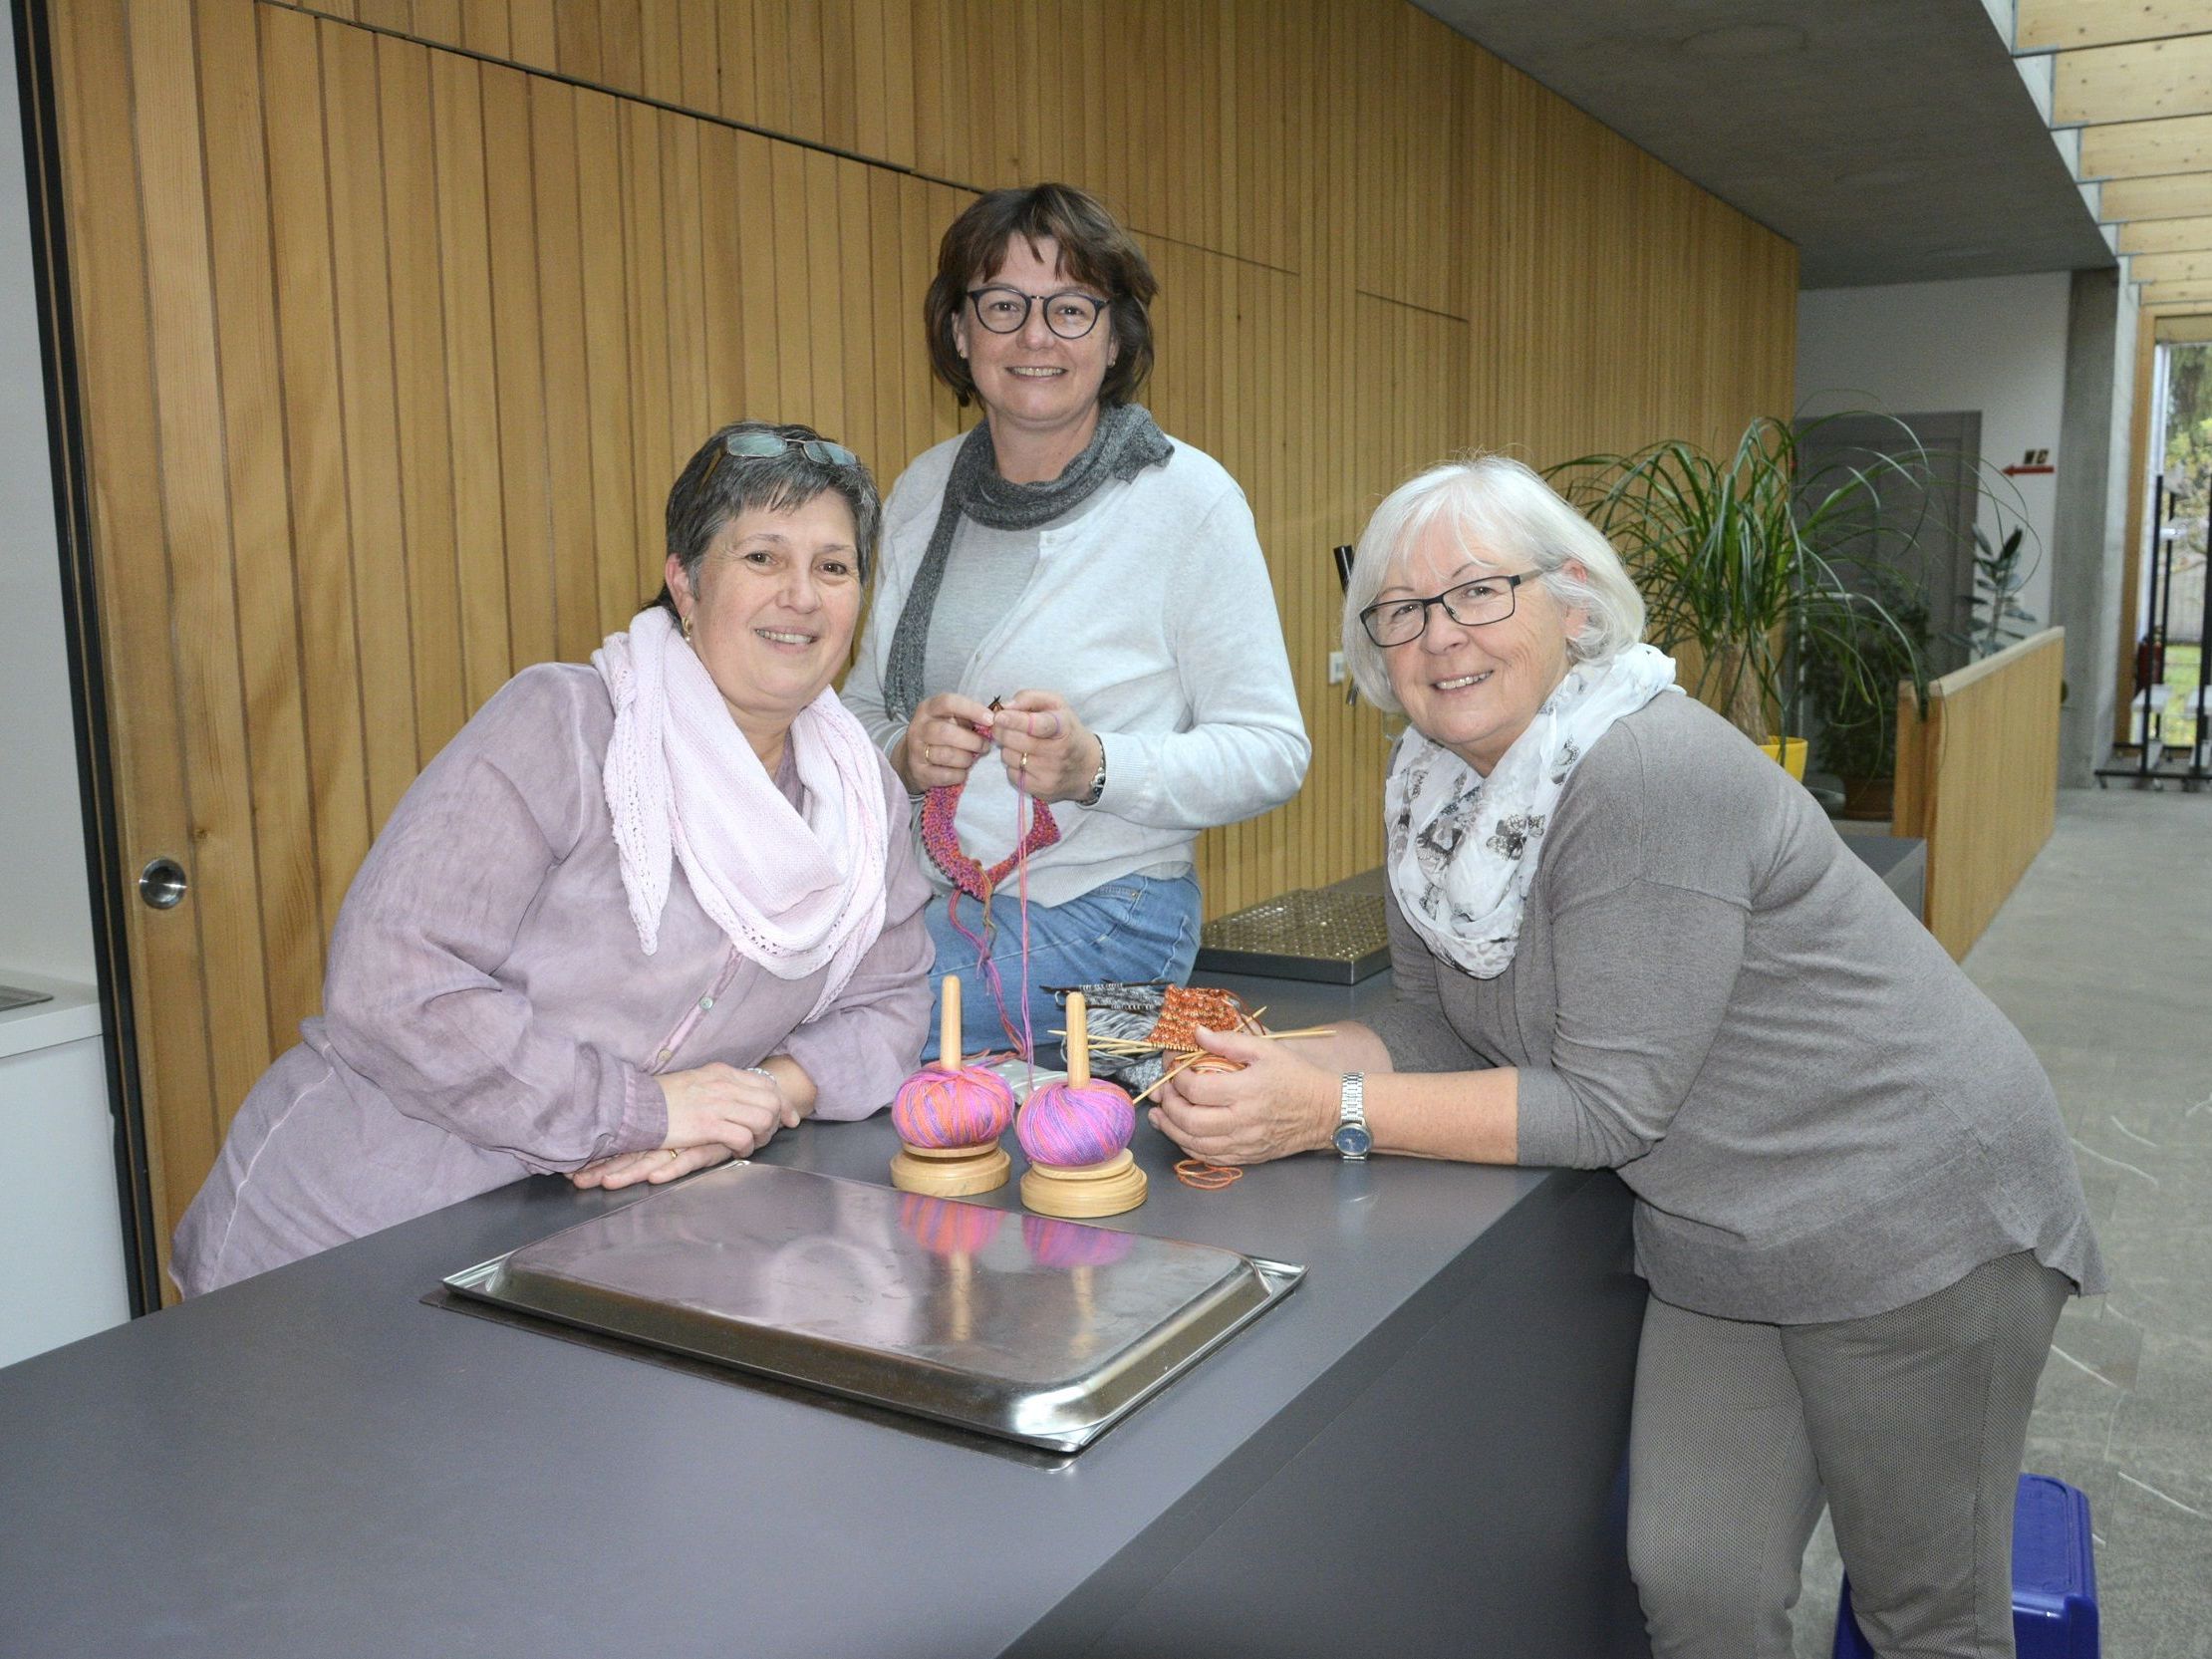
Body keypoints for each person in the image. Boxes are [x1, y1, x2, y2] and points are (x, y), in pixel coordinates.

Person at [1149, 454, 2104, 1659]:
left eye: (1478, 592)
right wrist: (1263, 1055)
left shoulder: (1643, 770)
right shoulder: (1438, 791)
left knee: (1927, 1616)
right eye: (1401, 612)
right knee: (1698, 1582)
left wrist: (1324, 1110)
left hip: (1912, 1210)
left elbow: (1607, 1108)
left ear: (1575, 604)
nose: (1440, 637)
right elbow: (1441, 1022)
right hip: (1727, 1229)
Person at [173, 421, 932, 1295]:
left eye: (833, 567)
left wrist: (761, 1095)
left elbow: (889, 1004)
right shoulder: (566, 725)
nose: (802, 595)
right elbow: (391, 982)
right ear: (684, 583)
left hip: (592, 1250)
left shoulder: (857, 794)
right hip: (343, 1239)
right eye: (763, 557)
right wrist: (642, 1111)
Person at [842, 182, 1308, 1060]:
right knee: (802, 978)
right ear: (959, 330)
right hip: (928, 904)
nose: (1034, 336)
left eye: (1070, 307)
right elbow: (857, 718)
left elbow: (1273, 751)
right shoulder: (920, 494)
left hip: (1113, 926)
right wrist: (904, 753)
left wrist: (1096, 766)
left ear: (1114, 333)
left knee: (847, 1003)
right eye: (1004, 304)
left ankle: (1151, 1028)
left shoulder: (1188, 502)